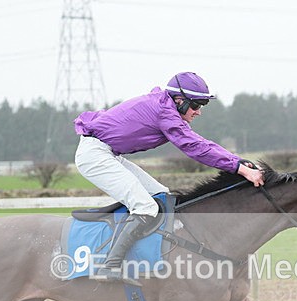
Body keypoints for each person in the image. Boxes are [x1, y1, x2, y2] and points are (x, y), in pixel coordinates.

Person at [73, 71, 265, 283]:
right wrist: (240, 168)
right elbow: (195, 147)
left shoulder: (165, 106)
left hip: (107, 153)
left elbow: (199, 141)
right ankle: (109, 265)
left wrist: (236, 161)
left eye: (202, 106)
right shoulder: (164, 112)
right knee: (146, 207)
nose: (199, 112)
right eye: (196, 105)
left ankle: (151, 255)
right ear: (179, 100)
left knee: (161, 196)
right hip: (94, 155)